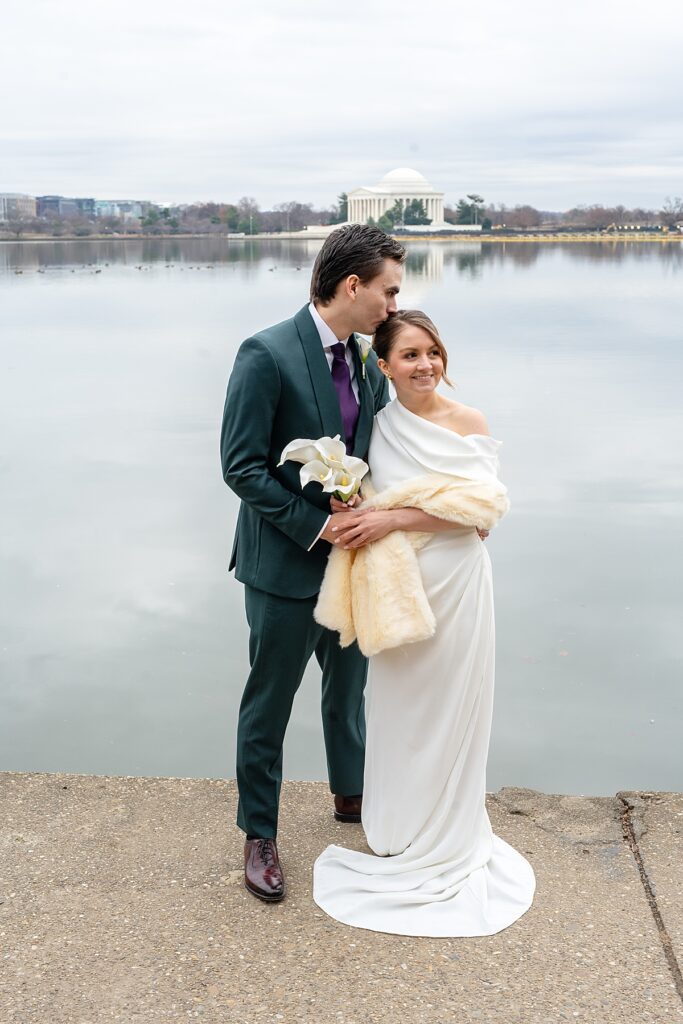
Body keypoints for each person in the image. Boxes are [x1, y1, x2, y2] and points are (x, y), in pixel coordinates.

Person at [313, 310, 536, 936]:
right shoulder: (379, 429)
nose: (426, 365)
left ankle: (451, 832)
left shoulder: (471, 423)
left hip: (458, 582)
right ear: (383, 367)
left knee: (455, 706)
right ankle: (399, 829)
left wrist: (393, 517)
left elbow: (481, 513)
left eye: (433, 352)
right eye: (409, 355)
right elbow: (371, 497)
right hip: (399, 588)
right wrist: (355, 504)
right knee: (399, 708)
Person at [220, 225, 406, 902]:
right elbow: (240, 468)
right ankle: (259, 833)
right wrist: (319, 525)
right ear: (351, 285)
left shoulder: (365, 360)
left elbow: (379, 449)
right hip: (284, 567)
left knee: (347, 690)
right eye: (387, 290)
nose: (392, 305)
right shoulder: (264, 353)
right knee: (269, 701)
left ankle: (350, 796)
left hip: (351, 566)